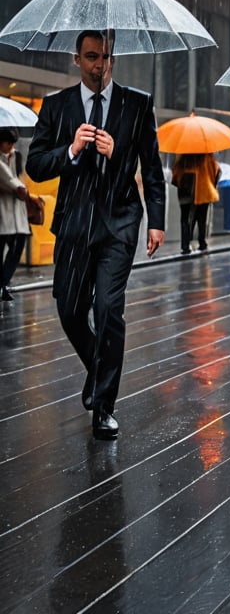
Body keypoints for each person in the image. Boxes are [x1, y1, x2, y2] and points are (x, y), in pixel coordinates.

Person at [26, 30, 165, 439]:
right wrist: (70, 150)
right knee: (69, 310)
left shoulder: (137, 104)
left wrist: (156, 220)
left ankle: (104, 405)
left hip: (119, 223)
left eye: (105, 56)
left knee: (108, 311)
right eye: (90, 56)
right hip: (73, 224)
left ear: (113, 59)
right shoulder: (57, 106)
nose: (98, 64)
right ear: (77, 60)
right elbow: (36, 165)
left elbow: (152, 169)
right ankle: (99, 369)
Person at [0, 128, 31, 301]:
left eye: (12, 143)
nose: (10, 147)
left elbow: (19, 178)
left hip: (18, 212)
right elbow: (9, 179)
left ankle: (3, 283)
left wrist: (23, 191)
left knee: (18, 246)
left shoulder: (17, 155)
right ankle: (3, 286)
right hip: (3, 211)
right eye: (7, 143)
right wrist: (18, 188)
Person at [171, 152, 220, 253]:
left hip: (186, 190)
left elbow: (175, 174)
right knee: (201, 218)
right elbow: (216, 171)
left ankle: (186, 244)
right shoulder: (207, 156)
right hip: (204, 190)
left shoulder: (183, 157)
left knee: (186, 219)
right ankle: (202, 242)